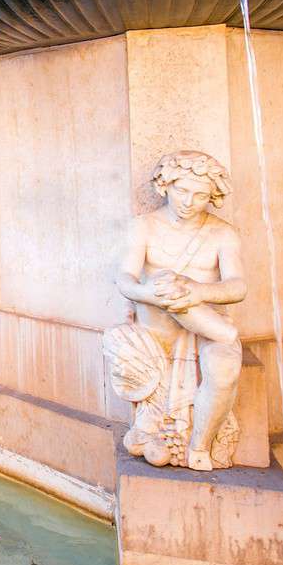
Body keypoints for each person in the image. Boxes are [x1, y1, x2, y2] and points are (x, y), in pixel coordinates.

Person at [106, 151, 247, 471]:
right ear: (165, 186)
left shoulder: (223, 233)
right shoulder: (143, 227)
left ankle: (199, 445)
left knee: (224, 370)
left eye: (200, 195)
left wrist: (197, 290)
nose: (188, 201)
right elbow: (125, 279)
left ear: (212, 196)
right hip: (158, 324)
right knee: (163, 281)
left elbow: (238, 286)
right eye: (181, 191)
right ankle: (161, 428)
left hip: (207, 322)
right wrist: (153, 294)